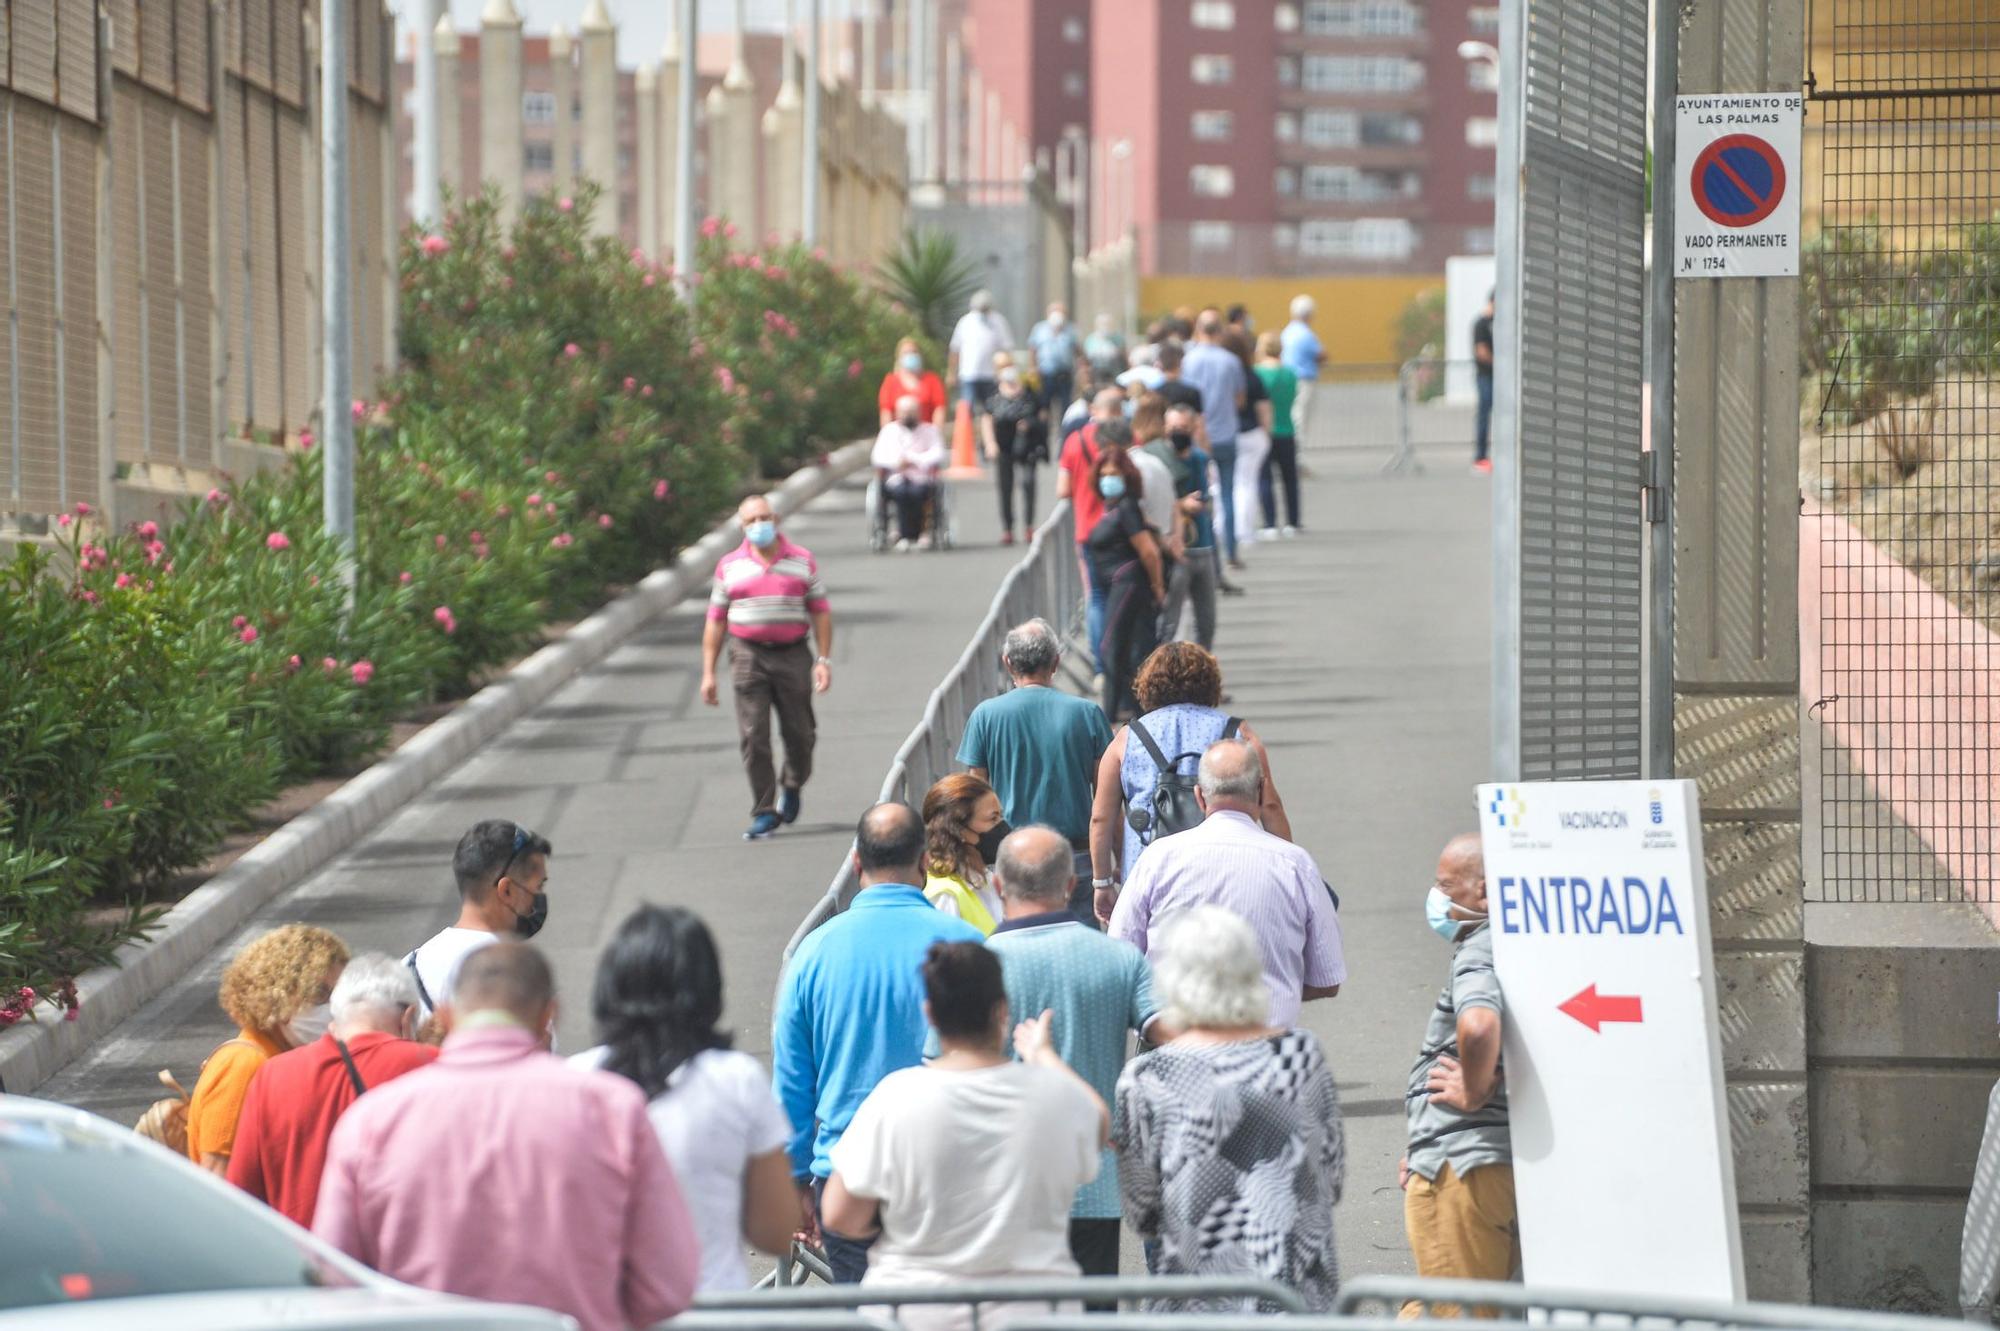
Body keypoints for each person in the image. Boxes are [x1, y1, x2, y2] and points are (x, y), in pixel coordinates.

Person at [313, 944, 699, 1331]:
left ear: (446, 1015)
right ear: (550, 1015)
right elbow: (667, 1286)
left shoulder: (371, 1123)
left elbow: (335, 1285)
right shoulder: (612, 1109)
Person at [823, 941, 1105, 1329]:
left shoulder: (895, 1096)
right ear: (1002, 1011)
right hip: (1034, 1312)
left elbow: (840, 1213)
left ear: (930, 1015)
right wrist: (1044, 1056)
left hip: (914, 1313)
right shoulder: (1054, 1095)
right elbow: (1100, 1122)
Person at [772, 803, 986, 1283]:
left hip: (848, 1176)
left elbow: (792, 1079)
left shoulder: (814, 953)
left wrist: (795, 1178)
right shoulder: (970, 946)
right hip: (952, 1171)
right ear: (926, 859)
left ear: (856, 862)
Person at [1115, 907, 1344, 1312]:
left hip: (1197, 1304)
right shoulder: (1301, 1056)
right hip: (1295, 1298)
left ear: (1171, 980)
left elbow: (1142, 1214)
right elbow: (1331, 1178)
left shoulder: (1148, 1077)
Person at [572, 905, 799, 1293]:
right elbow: (775, 1231)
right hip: (711, 1311)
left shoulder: (573, 1081)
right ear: (708, 988)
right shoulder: (736, 1080)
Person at [983, 827, 1164, 1279]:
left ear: (998, 885)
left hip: (1003, 1186)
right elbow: (1169, 1031)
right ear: (1070, 885)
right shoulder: (1119, 960)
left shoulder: (975, 966)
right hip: (1093, 1185)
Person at [1107, 737, 1345, 1025]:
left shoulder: (1157, 858)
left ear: (1199, 796)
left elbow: (1120, 961)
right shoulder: (1295, 864)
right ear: (1260, 792)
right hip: (1266, 1048)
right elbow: (1327, 979)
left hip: (1175, 1044)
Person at [227, 953, 436, 1227]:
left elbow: (241, 1193)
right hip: (390, 1259)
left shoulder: (272, 1074)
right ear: (408, 1017)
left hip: (301, 1259)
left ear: (335, 1015)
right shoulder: (431, 1066)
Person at [1402, 834, 1518, 1303]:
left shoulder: (1479, 952)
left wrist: (1470, 1092)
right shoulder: (1527, 946)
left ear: (1486, 892)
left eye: (1447, 886)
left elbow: (1478, 1025)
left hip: (1462, 1169)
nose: (1438, 899)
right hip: (1494, 1160)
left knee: (1450, 1315)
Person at [1089, 642, 1289, 897]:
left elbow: (1101, 818)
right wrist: (1287, 867)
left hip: (1149, 876)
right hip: (1225, 873)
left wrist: (1102, 882)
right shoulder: (1237, 732)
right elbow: (1270, 806)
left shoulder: (1128, 738)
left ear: (1149, 685)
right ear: (1210, 683)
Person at [958, 619, 1115, 921]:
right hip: (1076, 857)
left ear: (1007, 662)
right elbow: (1107, 802)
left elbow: (973, 797)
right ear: (1055, 662)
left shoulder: (985, 716)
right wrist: (1112, 867)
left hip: (1013, 857)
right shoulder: (1087, 714)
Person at [701, 493, 835, 840]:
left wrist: (823, 659)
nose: (759, 526)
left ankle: (791, 784)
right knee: (753, 735)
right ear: (742, 526)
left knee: (800, 733)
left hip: (793, 653)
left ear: (775, 520)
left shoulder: (801, 561)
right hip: (748, 654)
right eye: (750, 521)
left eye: (764, 518)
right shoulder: (730, 566)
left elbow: (820, 610)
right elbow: (715, 621)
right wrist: (708, 673)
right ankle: (763, 809)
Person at [186, 925, 350, 1176]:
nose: (332, 1008)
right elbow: (217, 1177)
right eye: (319, 993)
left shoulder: (287, 1059)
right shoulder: (244, 1065)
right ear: (279, 994)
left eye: (338, 995)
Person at [406, 819, 552, 1023]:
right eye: (538, 887)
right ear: (506, 890)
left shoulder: (408, 967)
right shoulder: (516, 976)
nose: (538, 898)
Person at [1085, 423, 1167, 721]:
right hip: (1118, 584)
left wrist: (1158, 587)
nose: (1108, 480)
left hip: (1128, 581)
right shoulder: (1112, 507)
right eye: (1104, 475)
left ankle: (1110, 715)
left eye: (1114, 475)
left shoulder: (1127, 507)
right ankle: (1131, 709)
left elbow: (1148, 550)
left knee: (1111, 648)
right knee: (1129, 651)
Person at [1057, 385, 1129, 669]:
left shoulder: (1074, 441)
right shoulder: (1124, 439)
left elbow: (1062, 489)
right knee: (1123, 597)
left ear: (1093, 411)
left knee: (1096, 598)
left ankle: (1102, 666)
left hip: (1087, 530)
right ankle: (1124, 662)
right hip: (1123, 529)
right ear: (1119, 411)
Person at [1143, 404, 1218, 648]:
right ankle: (1161, 677)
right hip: (1175, 551)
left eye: (1184, 428)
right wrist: (1181, 505)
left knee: (1207, 622)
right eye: (1173, 427)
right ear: (1165, 427)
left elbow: (1207, 496)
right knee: (1168, 622)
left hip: (1203, 547)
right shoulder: (1157, 459)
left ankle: (1202, 674)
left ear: (1194, 428)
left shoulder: (1198, 457)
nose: (1178, 432)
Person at [1181, 310, 1248, 567]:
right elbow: (1240, 399)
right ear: (1219, 332)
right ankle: (1231, 552)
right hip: (1226, 433)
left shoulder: (1189, 361)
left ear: (1198, 331)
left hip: (1198, 435)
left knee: (1201, 495)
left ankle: (1208, 554)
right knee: (1228, 494)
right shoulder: (1231, 361)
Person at [921, 773, 1008, 936]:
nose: (1002, 826)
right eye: (993, 819)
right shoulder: (945, 896)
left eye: (1001, 816)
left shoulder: (987, 879)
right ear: (958, 829)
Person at [872, 394, 948, 550]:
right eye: (904, 412)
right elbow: (877, 456)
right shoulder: (889, 431)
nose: (908, 415)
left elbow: (938, 452)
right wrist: (897, 462)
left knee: (917, 493)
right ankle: (902, 533)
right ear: (897, 413)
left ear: (919, 412)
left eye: (911, 411)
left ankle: (921, 532)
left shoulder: (930, 430)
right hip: (896, 478)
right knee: (901, 492)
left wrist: (914, 460)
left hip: (922, 478)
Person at [982, 365, 1046, 545]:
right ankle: (1008, 528)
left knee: (1028, 483)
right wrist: (990, 443)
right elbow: (987, 419)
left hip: (1027, 447)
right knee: (1005, 487)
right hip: (1004, 447)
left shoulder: (1029, 395)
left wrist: (1030, 426)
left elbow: (1042, 419)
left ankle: (1029, 526)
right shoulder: (994, 397)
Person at [1223, 329, 1273, 552]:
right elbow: (1263, 408)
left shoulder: (1222, 375)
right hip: (1251, 433)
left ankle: (1224, 528)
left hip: (1225, 433)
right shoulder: (1252, 376)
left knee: (1223, 485)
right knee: (1247, 483)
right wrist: (1266, 433)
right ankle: (1245, 531)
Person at [1255, 330, 1302, 536]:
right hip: (1286, 428)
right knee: (1289, 478)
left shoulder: (1257, 373)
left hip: (1264, 431)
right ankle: (1292, 521)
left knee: (1265, 478)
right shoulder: (1290, 373)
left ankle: (1270, 523)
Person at [949, 289, 1014, 416]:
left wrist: (1006, 371)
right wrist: (952, 372)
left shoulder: (999, 321)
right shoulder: (965, 322)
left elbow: (1006, 348)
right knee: (968, 409)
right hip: (969, 375)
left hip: (991, 375)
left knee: (991, 410)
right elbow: (955, 349)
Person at [1281, 293, 1327, 441]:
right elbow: (1321, 355)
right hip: (1304, 381)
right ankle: (1297, 454)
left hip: (1288, 380)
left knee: (1292, 416)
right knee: (1300, 418)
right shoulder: (1306, 334)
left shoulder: (1287, 332)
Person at [879, 336, 948, 430]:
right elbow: (886, 412)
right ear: (899, 358)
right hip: (900, 438)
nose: (910, 355)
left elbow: (939, 409)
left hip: (926, 435)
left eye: (914, 352)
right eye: (906, 353)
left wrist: (936, 433)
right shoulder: (890, 382)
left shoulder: (932, 380)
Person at [1027, 301, 1079, 413]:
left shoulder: (1071, 329)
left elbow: (1077, 349)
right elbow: (1032, 349)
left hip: (1065, 374)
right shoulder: (1039, 328)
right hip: (1046, 374)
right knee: (1044, 405)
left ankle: (1064, 428)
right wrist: (1032, 367)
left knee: (1066, 405)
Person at [1472, 291, 1495, 474]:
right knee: (1484, 414)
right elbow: (1481, 351)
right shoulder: (1482, 324)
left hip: (1497, 376)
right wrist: (1502, 365)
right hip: (1486, 376)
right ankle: (1480, 456)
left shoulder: (1501, 323)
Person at [1084, 313, 1126, 385]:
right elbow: (1088, 356)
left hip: (1114, 371)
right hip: (1097, 372)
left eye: (1108, 324)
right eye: (1103, 324)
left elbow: (1122, 352)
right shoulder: (1091, 339)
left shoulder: (1118, 338)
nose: (1105, 326)